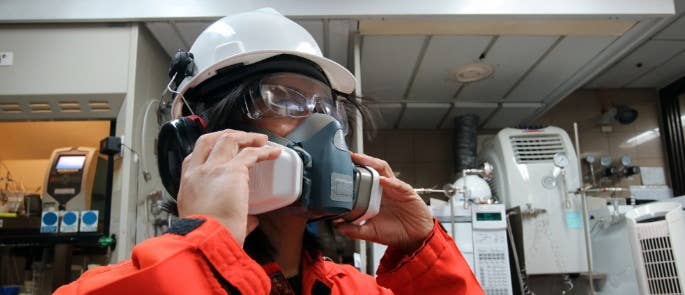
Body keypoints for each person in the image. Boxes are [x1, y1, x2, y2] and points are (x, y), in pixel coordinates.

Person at [55, 8, 483, 295]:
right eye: (284, 98)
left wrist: (422, 252)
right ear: (199, 141)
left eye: (326, 107)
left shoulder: (354, 288)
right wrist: (201, 250)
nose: (324, 125)